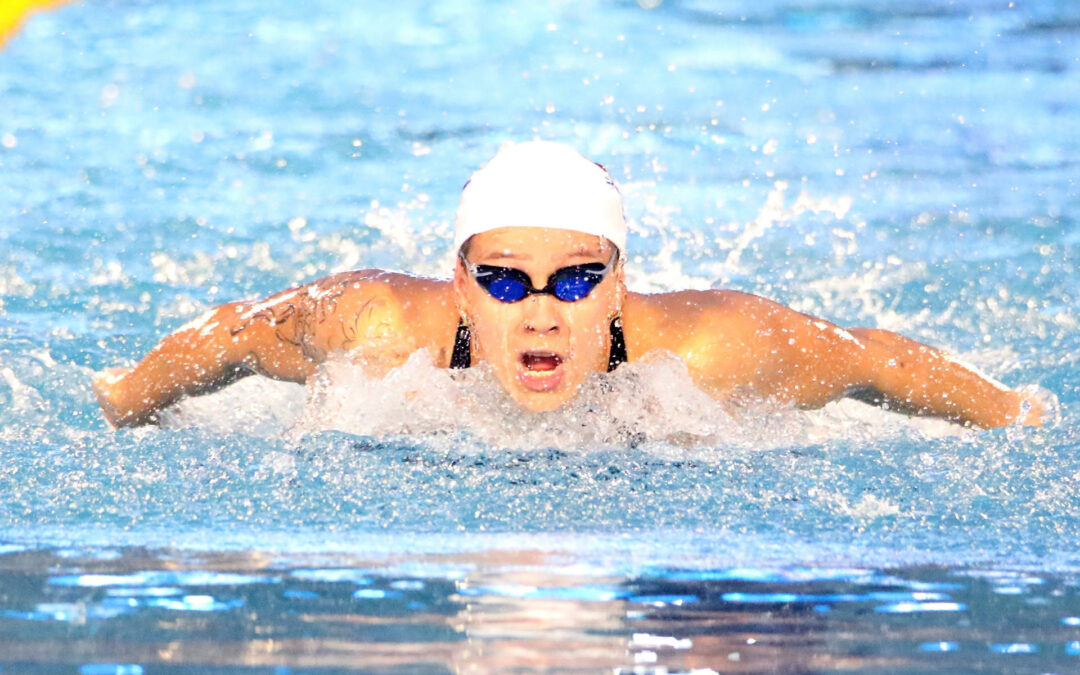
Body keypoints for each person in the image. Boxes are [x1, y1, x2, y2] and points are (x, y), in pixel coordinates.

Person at [93, 141, 1044, 429]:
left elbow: (871, 360)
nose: (541, 310)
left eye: (576, 279)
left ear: (620, 285)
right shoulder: (380, 333)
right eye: (505, 282)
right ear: (460, 287)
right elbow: (231, 334)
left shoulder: (712, 352)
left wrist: (1015, 416)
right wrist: (121, 405)